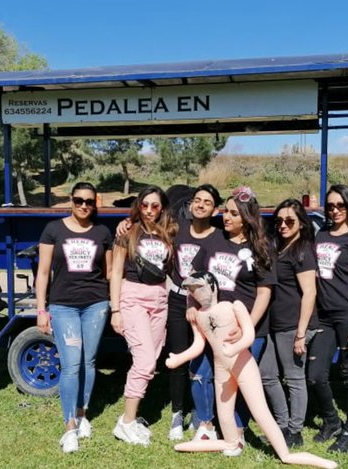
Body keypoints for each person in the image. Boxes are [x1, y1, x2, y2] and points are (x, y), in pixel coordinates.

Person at [166, 272, 338, 469]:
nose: (196, 293)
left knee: (260, 412)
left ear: (213, 287)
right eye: (192, 290)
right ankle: (231, 442)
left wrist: (235, 348)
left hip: (243, 366)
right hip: (221, 369)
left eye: (199, 288)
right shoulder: (199, 316)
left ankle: (284, 454)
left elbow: (249, 335)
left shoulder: (233, 307)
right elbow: (199, 343)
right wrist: (179, 358)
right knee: (224, 414)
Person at [116, 184, 225, 440]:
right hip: (174, 300)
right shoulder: (176, 229)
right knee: (174, 358)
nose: (200, 205)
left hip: (198, 303)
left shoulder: (205, 234)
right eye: (197, 200)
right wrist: (126, 222)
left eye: (207, 202)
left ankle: (201, 413)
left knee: (203, 359)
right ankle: (176, 412)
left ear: (215, 209)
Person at [191, 185, 276, 448]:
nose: (226, 217)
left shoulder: (261, 246)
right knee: (201, 373)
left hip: (247, 329)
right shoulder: (213, 240)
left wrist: (246, 327)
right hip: (212, 327)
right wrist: (192, 306)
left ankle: (238, 430)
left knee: (241, 381)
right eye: (226, 211)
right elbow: (194, 278)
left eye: (233, 213)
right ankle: (206, 425)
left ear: (247, 218)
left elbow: (264, 292)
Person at [35, 182, 113, 454]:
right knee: (70, 366)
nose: (83, 206)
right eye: (79, 200)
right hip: (63, 306)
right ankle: (69, 428)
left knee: (88, 362)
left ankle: (82, 414)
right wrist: (41, 309)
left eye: (89, 201)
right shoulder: (53, 229)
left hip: (96, 304)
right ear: (71, 200)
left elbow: (109, 272)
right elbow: (43, 272)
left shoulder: (103, 232)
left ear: (95, 204)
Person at [110, 185, 177, 446]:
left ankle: (132, 416)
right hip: (133, 296)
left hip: (159, 298)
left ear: (162, 208)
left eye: (155, 205)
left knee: (152, 357)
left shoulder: (168, 233)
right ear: (138, 205)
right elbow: (116, 272)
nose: (149, 210)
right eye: (144, 205)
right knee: (145, 361)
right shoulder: (128, 232)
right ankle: (126, 423)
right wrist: (116, 310)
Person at [308, 185, 348, 453]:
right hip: (323, 316)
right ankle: (332, 421)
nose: (334, 210)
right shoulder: (321, 234)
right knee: (315, 375)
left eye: (340, 205)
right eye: (331, 206)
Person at [264, 198, 318, 448]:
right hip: (274, 323)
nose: (283, 225)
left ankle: (295, 432)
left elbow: (310, 292)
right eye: (279, 221)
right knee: (267, 374)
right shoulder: (280, 248)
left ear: (301, 223)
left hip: (293, 325)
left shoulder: (302, 250)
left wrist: (301, 333)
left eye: (289, 221)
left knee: (294, 378)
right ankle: (282, 424)